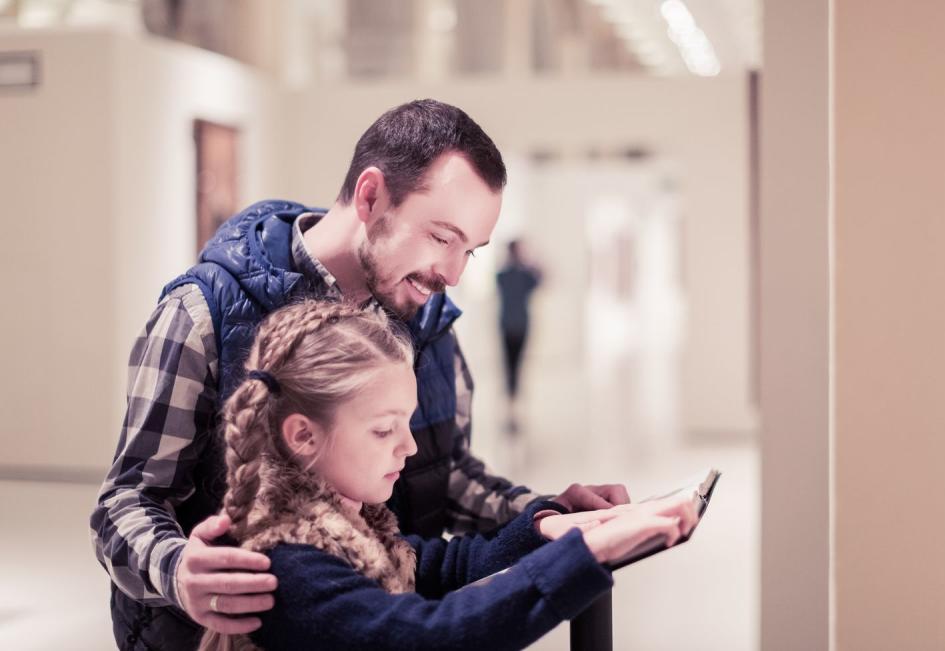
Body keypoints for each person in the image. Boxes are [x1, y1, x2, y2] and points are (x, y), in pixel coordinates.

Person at [91, 99, 632, 650]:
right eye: (442, 238)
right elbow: (127, 500)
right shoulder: (203, 312)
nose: (452, 273)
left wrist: (550, 516)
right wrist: (179, 570)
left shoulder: (431, 321)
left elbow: (448, 473)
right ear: (371, 196)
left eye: (469, 249)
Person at [198, 299, 699, 651]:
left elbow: (434, 564)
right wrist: (585, 556)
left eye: (407, 423)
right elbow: (426, 635)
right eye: (383, 430)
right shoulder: (288, 564)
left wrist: (546, 528)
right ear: (303, 436)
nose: (409, 446)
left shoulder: (350, 521)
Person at [496, 239, 541, 403]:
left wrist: (530, 263)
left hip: (519, 325)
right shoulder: (505, 274)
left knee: (515, 365)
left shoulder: (519, 275)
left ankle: (513, 398)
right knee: (510, 365)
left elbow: (540, 279)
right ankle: (511, 399)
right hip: (510, 325)